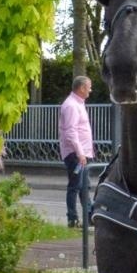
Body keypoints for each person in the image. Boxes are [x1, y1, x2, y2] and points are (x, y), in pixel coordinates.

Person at [59, 76, 94, 227]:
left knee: (84, 185)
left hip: (82, 153)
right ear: (81, 88)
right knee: (76, 186)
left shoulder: (77, 104)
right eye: (89, 87)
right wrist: (80, 153)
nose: (90, 90)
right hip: (75, 154)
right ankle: (72, 219)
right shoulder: (71, 106)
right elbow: (71, 132)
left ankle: (89, 217)